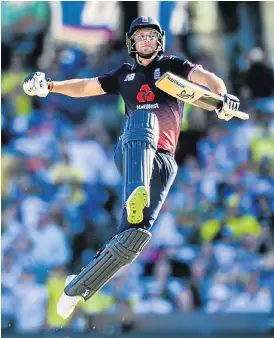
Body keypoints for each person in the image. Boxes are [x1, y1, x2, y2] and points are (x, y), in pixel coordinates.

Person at [23, 16, 241, 319]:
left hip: (164, 160)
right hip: (130, 150)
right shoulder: (124, 74)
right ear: (132, 43)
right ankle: (136, 189)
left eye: (152, 37)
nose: (147, 41)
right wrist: (50, 86)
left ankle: (77, 289)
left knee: (132, 239)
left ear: (160, 41)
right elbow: (86, 87)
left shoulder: (173, 66)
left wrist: (222, 97)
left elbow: (205, 78)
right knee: (142, 119)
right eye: (141, 37)